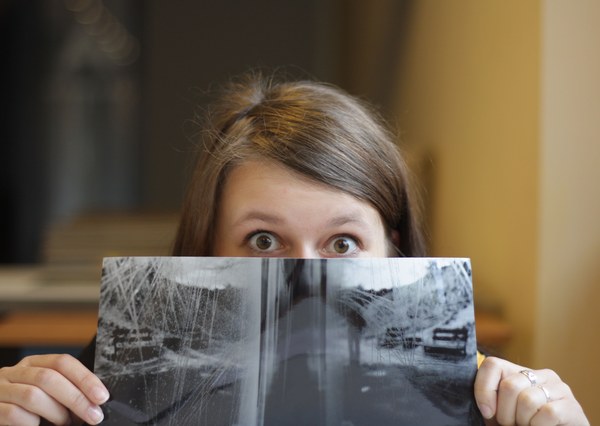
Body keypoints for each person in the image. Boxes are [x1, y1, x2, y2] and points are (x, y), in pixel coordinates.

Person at [0, 73, 589, 425]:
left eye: (342, 242)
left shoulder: (478, 399)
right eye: (263, 240)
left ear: (392, 251)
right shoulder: (113, 389)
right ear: (207, 253)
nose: (304, 277)